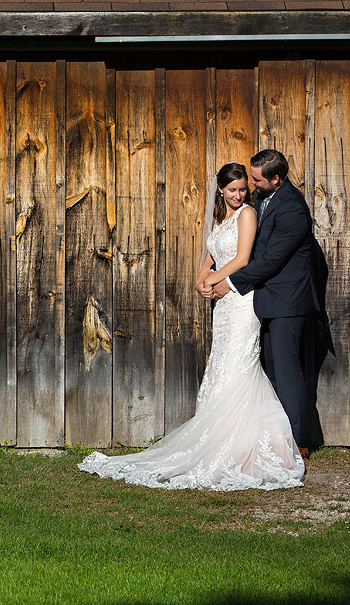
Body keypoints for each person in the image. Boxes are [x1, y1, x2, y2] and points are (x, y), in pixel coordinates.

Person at [77, 160, 305, 490]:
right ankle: (215, 435)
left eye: (243, 189)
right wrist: (201, 279)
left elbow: (242, 259)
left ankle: (244, 444)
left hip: (241, 302)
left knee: (239, 366)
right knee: (220, 366)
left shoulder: (247, 215)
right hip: (222, 305)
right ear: (221, 191)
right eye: (233, 190)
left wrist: (214, 279)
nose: (240, 195)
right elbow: (210, 255)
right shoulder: (221, 218)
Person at [205, 148, 319, 459]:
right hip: (266, 300)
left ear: (276, 179)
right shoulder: (267, 199)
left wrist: (228, 283)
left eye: (256, 180)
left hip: (287, 302)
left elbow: (270, 259)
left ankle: (298, 441)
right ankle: (272, 433)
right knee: (269, 371)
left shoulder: (293, 209)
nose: (251, 187)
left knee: (287, 372)